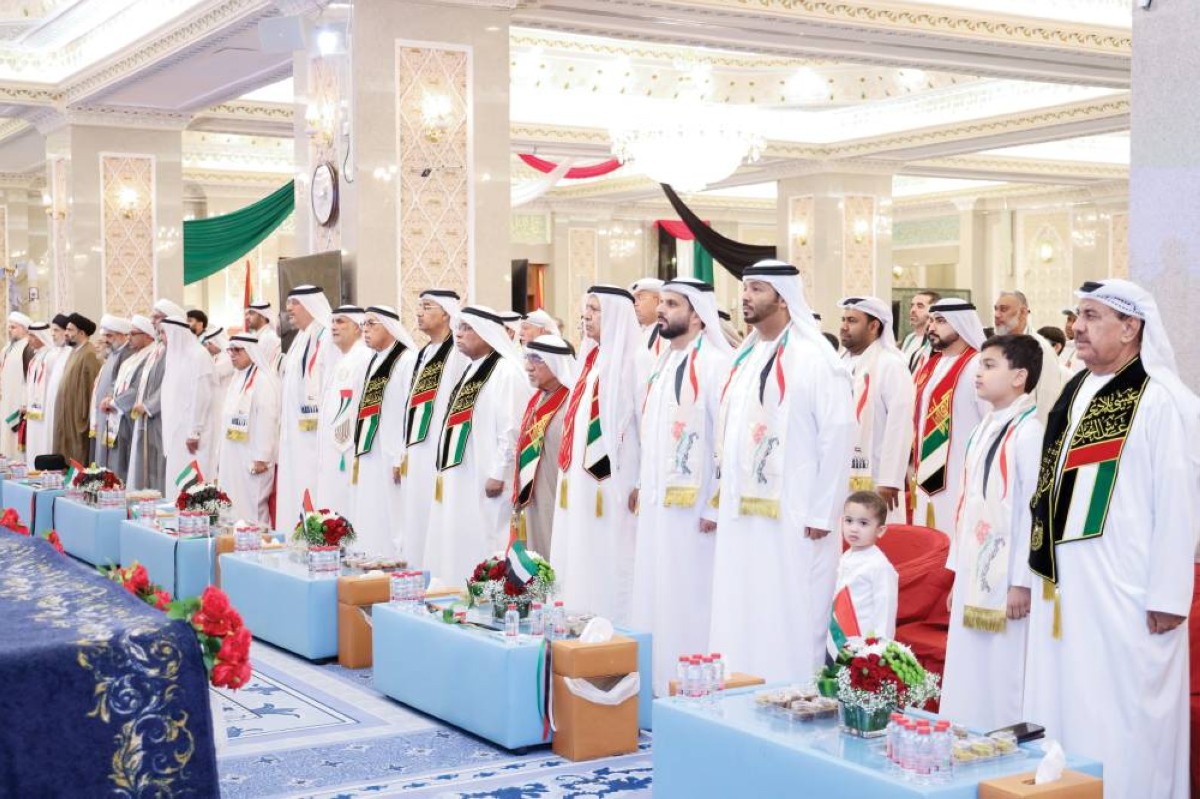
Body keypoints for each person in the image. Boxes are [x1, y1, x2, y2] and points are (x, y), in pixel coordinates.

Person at [1024, 279, 1198, 799]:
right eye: (1078, 316)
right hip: (1068, 587)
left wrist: (1169, 594)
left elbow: (1179, 501)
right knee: (1067, 703)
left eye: (1092, 316)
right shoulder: (1076, 388)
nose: (1077, 327)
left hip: (1130, 591)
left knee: (1125, 713)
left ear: (1129, 328)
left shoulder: (1163, 399)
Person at [708, 261, 854, 682]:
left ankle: (792, 688)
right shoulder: (746, 355)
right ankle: (739, 683)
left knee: (789, 605)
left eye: (757, 288)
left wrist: (824, 511)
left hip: (795, 511)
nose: (746, 296)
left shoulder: (815, 358)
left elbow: (838, 434)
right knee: (742, 600)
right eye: (745, 288)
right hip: (742, 511)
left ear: (783, 297)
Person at [630, 278, 733, 695]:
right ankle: (657, 683)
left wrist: (715, 504)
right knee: (658, 593)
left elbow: (726, 441)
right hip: (659, 505)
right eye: (662, 303)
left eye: (672, 304)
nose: (661, 310)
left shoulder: (715, 364)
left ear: (697, 314)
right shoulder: (664, 362)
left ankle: (691, 686)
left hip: (695, 509)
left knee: (690, 597)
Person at [940, 334, 1043, 732]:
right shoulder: (985, 426)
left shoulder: (1028, 432)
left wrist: (1022, 581)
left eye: (989, 365)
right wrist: (959, 575)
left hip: (1006, 578)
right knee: (967, 662)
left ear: (1019, 376)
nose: (977, 373)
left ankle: (999, 739)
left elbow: (1033, 511)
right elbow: (968, 505)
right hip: (975, 567)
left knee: (1002, 667)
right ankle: (964, 730)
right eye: (979, 365)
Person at [551, 285, 652, 625]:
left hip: (616, 482)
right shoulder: (591, 359)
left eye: (595, 310)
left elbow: (646, 423)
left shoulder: (636, 360)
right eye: (586, 309)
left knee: (611, 551)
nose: (586, 316)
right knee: (580, 547)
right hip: (580, 480)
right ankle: (577, 615)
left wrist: (641, 481)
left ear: (616, 316)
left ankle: (612, 622)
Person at [422, 306, 526, 584]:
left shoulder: (506, 372)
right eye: (459, 327)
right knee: (458, 537)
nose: (459, 333)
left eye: (468, 328)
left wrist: (499, 472)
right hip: (461, 474)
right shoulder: (471, 369)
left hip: (486, 476)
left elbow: (512, 428)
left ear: (488, 333)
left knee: (487, 537)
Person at [398, 289, 467, 568]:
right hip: (416, 450)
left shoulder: (458, 353)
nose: (419, 313)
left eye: (427, 307)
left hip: (441, 451)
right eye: (419, 307)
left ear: (447, 314)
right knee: (415, 515)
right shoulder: (424, 352)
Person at [911, 299, 989, 533]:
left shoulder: (979, 366)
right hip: (926, 473)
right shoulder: (931, 365)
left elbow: (990, 425)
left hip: (961, 475)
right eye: (931, 320)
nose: (931, 327)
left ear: (962, 324)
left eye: (941, 321)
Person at [838, 296, 914, 523]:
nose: (844, 326)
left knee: (879, 533)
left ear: (874, 326)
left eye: (852, 320)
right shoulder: (840, 362)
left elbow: (900, 424)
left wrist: (890, 480)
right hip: (841, 471)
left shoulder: (890, 364)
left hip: (877, 474)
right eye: (843, 319)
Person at [349, 306, 418, 557]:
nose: (365, 330)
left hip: (392, 452)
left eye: (372, 324)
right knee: (371, 506)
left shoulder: (406, 360)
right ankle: (371, 554)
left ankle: (394, 559)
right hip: (370, 447)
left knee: (394, 511)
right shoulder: (371, 360)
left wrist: (401, 455)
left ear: (389, 327)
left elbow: (410, 410)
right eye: (364, 325)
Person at [511, 334, 575, 557]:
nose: (528, 367)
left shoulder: (571, 402)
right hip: (534, 495)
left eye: (537, 359)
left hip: (559, 496)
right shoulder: (537, 399)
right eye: (527, 358)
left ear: (557, 363)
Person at [277, 285, 333, 525]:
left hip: (314, 435)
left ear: (311, 304)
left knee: (312, 488)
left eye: (295, 303)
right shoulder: (300, 338)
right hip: (294, 434)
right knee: (294, 488)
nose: (289, 309)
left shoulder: (327, 337)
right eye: (288, 303)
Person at [219, 334, 280, 526]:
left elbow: (268, 420)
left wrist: (262, 456)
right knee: (232, 506)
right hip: (233, 456)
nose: (232, 354)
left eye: (238, 350)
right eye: (230, 350)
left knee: (253, 506)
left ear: (252, 352)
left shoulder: (264, 380)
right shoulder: (237, 377)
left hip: (253, 459)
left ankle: (259, 542)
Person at [316, 304, 371, 516]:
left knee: (347, 506)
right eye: (332, 321)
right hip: (332, 450)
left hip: (348, 449)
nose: (333, 326)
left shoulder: (364, 358)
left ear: (357, 327)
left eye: (340, 321)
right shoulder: (340, 360)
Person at [829, 491, 899, 651]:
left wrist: (880, 649)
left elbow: (885, 610)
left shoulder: (880, 566)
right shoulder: (846, 556)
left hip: (864, 644)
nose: (854, 529)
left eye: (863, 523)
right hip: (838, 638)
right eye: (849, 521)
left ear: (880, 530)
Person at [126, 300, 180, 492]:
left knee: (160, 465)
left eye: (157, 317)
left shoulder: (174, 350)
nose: (153, 321)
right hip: (149, 418)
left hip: (161, 417)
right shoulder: (158, 349)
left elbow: (169, 385)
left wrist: (149, 406)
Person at [160, 315, 216, 486]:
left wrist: (194, 432)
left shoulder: (199, 355)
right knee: (175, 480)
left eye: (164, 333)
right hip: (176, 431)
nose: (162, 338)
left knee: (192, 481)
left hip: (193, 434)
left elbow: (203, 395)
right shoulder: (174, 356)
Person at [992, 290, 1064, 424]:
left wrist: (1039, 431)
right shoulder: (995, 346)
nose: (997, 315)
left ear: (1023, 312)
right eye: (995, 309)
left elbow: (1046, 397)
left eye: (1004, 309)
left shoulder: (1041, 349)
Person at [106, 316, 156, 482]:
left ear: (147, 335)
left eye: (133, 334)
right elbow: (116, 382)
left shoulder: (150, 357)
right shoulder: (133, 358)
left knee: (129, 463)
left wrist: (115, 403)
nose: (129, 338)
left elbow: (138, 389)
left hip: (131, 416)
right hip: (120, 415)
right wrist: (109, 396)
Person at [52, 313, 102, 466]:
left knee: (78, 460)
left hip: (78, 421)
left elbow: (92, 390)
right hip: (67, 418)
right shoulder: (74, 352)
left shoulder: (89, 354)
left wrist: (84, 421)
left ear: (81, 333)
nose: (66, 333)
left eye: (70, 330)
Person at [89, 315, 132, 468]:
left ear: (121, 335)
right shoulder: (113, 353)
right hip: (104, 414)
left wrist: (109, 399)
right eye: (104, 336)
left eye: (109, 336)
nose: (105, 340)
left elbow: (118, 384)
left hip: (115, 414)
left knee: (113, 461)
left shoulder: (126, 354)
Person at [200, 327, 234, 476]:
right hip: (214, 406)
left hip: (223, 404)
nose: (207, 347)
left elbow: (212, 375)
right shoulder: (216, 357)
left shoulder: (228, 358)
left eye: (209, 344)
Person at [0, 311, 31, 458]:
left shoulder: (27, 348)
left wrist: (24, 401)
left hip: (19, 400)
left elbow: (27, 377)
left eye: (14, 327)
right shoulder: (6, 349)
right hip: (6, 399)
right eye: (9, 327)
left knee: (16, 440)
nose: (9, 330)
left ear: (24, 329)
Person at [902, 290, 939, 373]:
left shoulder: (936, 341)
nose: (913, 310)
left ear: (932, 311)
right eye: (912, 306)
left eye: (920, 306)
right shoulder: (909, 338)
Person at [631, 277, 665, 356]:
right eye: (633, 299)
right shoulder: (634, 332)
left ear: (658, 300)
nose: (635, 304)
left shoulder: (666, 335)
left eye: (640, 297)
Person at [245, 300, 282, 371]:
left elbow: (263, 367)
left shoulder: (269, 337)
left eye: (251, 313)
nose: (247, 317)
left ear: (262, 316)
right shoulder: (257, 336)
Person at [1059, 307, 1082, 374]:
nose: (1069, 325)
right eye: (1068, 320)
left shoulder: (1086, 352)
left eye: (1075, 321)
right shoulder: (1059, 345)